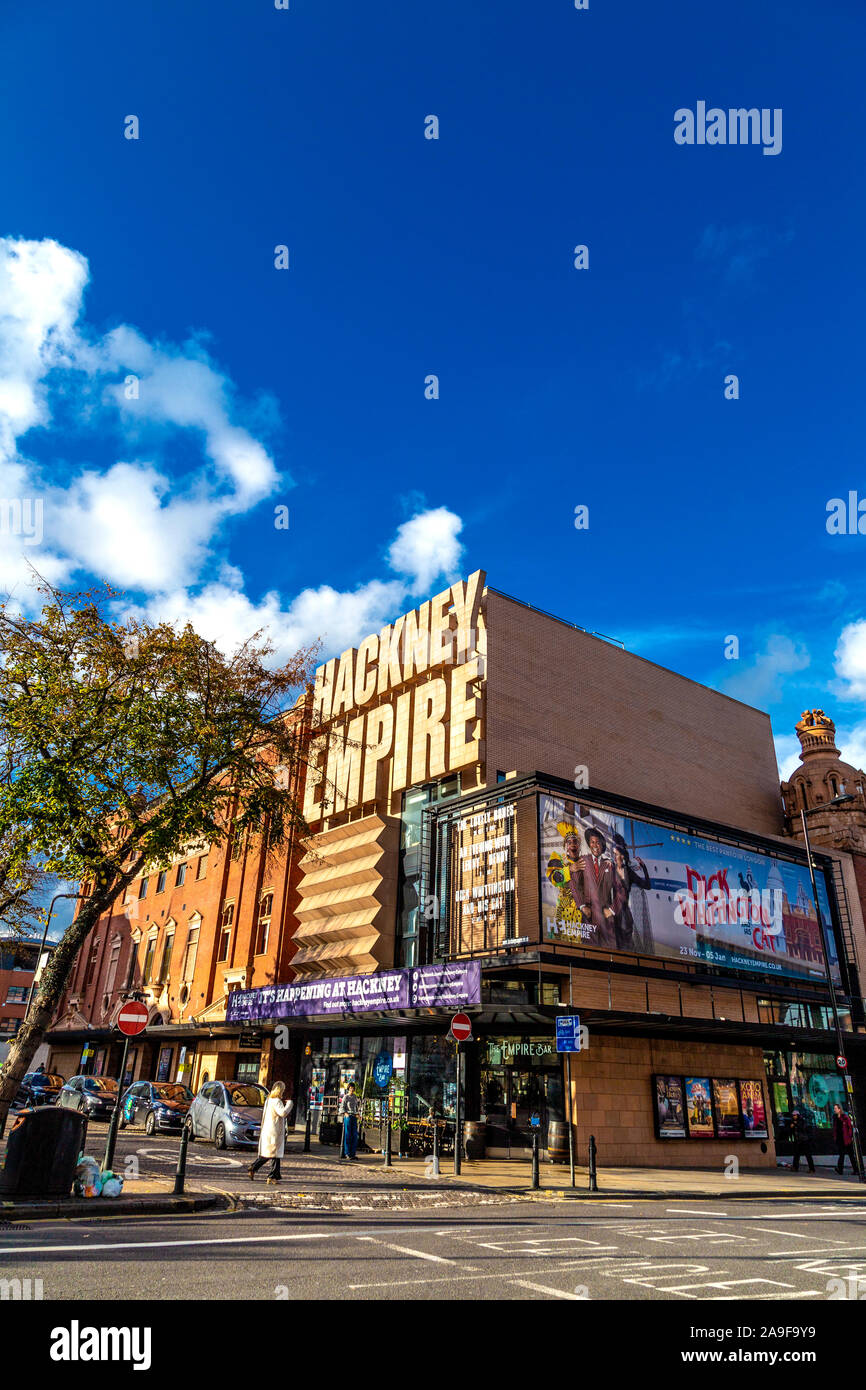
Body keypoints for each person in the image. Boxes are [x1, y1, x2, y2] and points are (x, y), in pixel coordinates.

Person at [609, 836, 651, 951]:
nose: (614, 855)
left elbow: (647, 886)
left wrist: (644, 867)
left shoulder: (629, 872)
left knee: (626, 948)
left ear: (622, 855)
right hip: (611, 914)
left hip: (624, 916)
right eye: (613, 853)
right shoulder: (609, 869)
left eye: (617, 853)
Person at [249, 1082, 293, 1184]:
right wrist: (290, 1104)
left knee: (274, 1154)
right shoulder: (277, 1101)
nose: (283, 1091)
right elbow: (283, 1113)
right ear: (280, 1090)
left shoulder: (269, 1100)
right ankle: (254, 1167)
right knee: (271, 1154)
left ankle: (272, 1176)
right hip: (274, 1131)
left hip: (268, 1129)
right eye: (283, 1089)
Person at [833, 1103, 859, 1175]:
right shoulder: (835, 1118)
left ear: (839, 1109)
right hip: (840, 1139)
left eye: (835, 1108)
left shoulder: (845, 1117)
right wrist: (835, 1137)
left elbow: (850, 1128)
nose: (834, 1110)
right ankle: (840, 1169)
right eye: (834, 1108)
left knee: (851, 1155)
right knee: (841, 1154)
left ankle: (856, 1170)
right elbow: (835, 1129)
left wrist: (850, 1137)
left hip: (846, 1139)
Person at [339, 1081, 361, 1161]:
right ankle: (347, 1153)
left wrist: (358, 1114)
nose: (352, 1089)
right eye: (350, 1088)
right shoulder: (346, 1097)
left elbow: (356, 1107)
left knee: (354, 1135)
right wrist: (345, 1113)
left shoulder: (355, 1097)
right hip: (348, 1117)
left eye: (353, 1088)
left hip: (354, 1116)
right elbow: (342, 1107)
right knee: (348, 1135)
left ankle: (353, 1153)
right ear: (348, 1088)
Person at [788, 1109, 815, 1174]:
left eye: (795, 1115)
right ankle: (795, 1167)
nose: (794, 1116)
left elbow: (802, 1128)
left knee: (808, 1155)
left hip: (804, 1140)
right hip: (798, 1140)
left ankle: (812, 1169)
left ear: (798, 1115)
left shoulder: (802, 1121)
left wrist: (795, 1124)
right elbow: (791, 1131)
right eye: (793, 1115)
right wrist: (791, 1127)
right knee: (796, 1154)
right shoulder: (793, 1122)